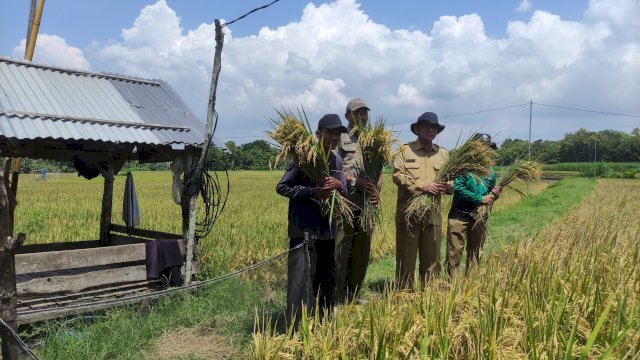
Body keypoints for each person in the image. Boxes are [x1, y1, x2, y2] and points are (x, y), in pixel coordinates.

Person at [276, 114, 348, 327]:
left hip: (327, 229)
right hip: (304, 229)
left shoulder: (336, 160)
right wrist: (311, 192)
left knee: (326, 278)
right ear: (318, 134)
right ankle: (297, 326)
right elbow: (282, 187)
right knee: (302, 279)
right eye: (330, 132)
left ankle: (324, 322)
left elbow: (343, 190)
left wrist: (338, 185)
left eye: (338, 133)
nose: (334, 137)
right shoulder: (304, 158)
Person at [392, 112, 451, 290]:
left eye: (434, 127)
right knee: (405, 259)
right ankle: (404, 297)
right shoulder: (404, 150)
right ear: (417, 129)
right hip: (408, 215)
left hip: (433, 215)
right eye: (426, 126)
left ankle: (430, 298)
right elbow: (397, 175)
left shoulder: (443, 154)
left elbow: (452, 179)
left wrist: (447, 186)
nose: (430, 130)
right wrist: (421, 186)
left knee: (432, 260)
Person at [335, 98, 380, 303]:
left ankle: (354, 295)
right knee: (341, 249)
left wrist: (377, 187)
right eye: (357, 113)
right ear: (347, 116)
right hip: (345, 202)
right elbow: (333, 169)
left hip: (367, 205)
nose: (362, 117)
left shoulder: (374, 140)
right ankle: (336, 297)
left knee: (361, 251)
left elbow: (380, 169)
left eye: (364, 113)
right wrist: (354, 182)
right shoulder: (339, 137)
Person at [445, 134, 502, 276]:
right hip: (459, 215)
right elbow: (458, 188)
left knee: (475, 253)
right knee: (454, 254)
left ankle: (471, 284)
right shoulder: (464, 167)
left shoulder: (491, 172)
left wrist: (494, 195)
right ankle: (451, 285)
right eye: (481, 147)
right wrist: (479, 198)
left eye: (487, 148)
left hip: (479, 217)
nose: (484, 150)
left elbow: (488, 195)